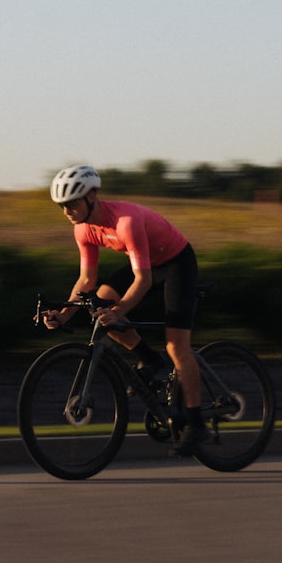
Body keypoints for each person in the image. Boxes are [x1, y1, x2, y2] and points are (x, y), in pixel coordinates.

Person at [40, 164, 209, 456]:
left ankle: (195, 423)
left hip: (176, 263)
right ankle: (150, 360)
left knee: (177, 346)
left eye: (72, 203)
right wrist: (64, 313)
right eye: (61, 206)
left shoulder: (125, 222)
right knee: (99, 305)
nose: (67, 211)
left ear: (92, 196)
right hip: (146, 264)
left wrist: (118, 312)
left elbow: (142, 281)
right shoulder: (83, 230)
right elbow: (86, 281)